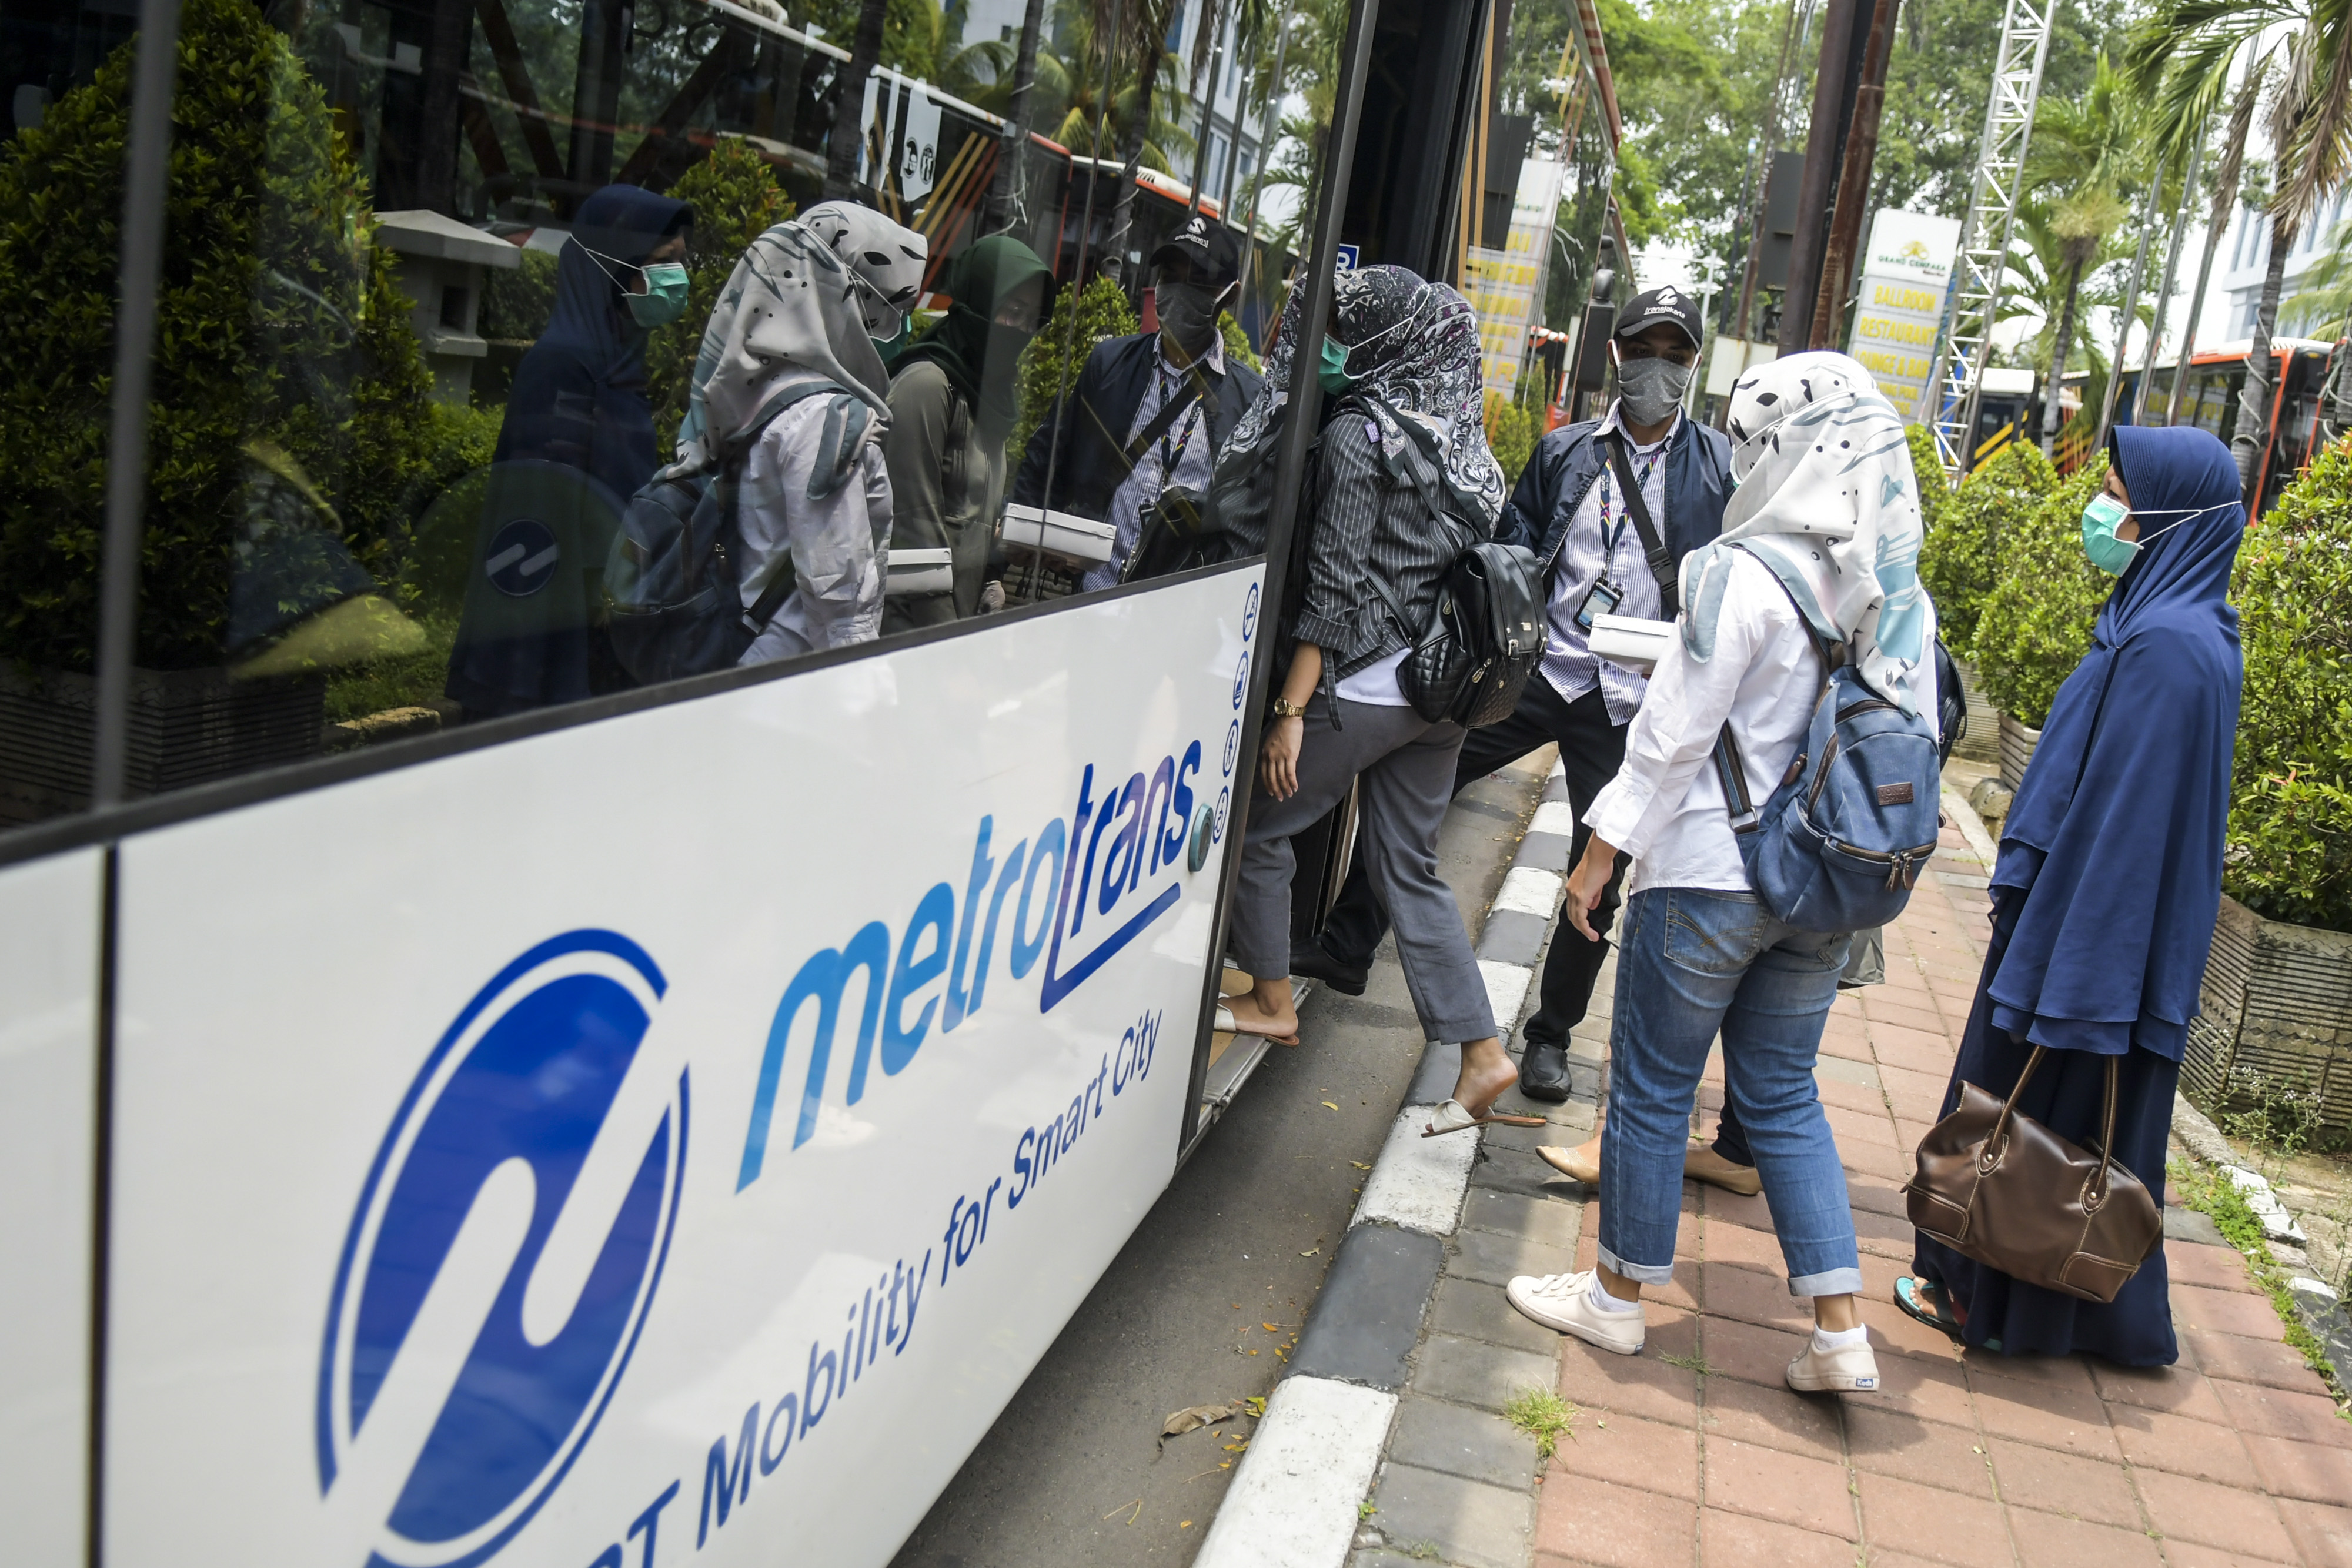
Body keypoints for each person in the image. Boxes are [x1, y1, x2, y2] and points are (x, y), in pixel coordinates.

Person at [1508, 352, 1940, 1396]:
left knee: (1653, 1089)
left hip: (1706, 870)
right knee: (1784, 1094)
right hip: (1822, 887)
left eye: (1753, 439)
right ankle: (1840, 1332)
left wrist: (1602, 851)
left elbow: (1671, 733)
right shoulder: (1892, 590)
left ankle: (1614, 1301)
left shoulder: (1736, 572)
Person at [1297, 289, 1743, 1163]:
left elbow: (1717, 582)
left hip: (1628, 696)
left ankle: (1550, 1034)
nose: (1659, 367)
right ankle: (1348, 943)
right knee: (1415, 782)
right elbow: (1514, 545)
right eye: (1644, 349)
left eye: (1676, 353)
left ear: (1694, 365)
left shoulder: (1716, 469)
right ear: (1616, 356)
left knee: (1598, 867)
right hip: (1541, 671)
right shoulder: (1564, 450)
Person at [1900, 424, 2246, 1365]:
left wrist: (2074, 965)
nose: (2105, 510)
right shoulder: (2173, 621)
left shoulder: (2172, 649)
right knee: (2066, 1125)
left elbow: (2128, 830)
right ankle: (2043, 1308)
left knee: (2032, 1123)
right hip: (2090, 924)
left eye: (2120, 494)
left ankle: (1999, 1306)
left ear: (2174, 515)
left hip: (2091, 930)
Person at [1214, 264, 1543, 1136]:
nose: (1332, 347)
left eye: (1346, 331)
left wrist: (1289, 712)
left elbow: (1333, 583)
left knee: (1258, 828)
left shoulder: (1364, 435)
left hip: (1365, 682)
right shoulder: (1463, 443)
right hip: (1442, 694)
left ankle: (1273, 997)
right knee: (1409, 866)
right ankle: (1480, 1053)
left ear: (1384, 342)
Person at [446, 184, 692, 717]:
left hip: (604, 621)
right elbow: (543, 504)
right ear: (613, 267)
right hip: (551, 633)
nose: (678, 280)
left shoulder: (617, 361)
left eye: (681, 263)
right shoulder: (562, 365)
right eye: (662, 263)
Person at [671, 202, 926, 662]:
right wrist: (862, 702)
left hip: (742, 653)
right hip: (791, 680)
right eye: (894, 308)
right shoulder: (826, 418)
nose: (903, 327)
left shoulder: (751, 385)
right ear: (847, 296)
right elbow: (839, 601)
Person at [1010, 215, 1262, 590]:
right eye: (1170, 276)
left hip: (1181, 613)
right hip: (1094, 597)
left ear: (1231, 294)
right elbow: (1047, 457)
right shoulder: (1108, 365)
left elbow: (1248, 523)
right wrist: (1018, 533)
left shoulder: (1250, 399)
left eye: (1197, 280)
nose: (1178, 290)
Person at [881, 234, 1051, 630]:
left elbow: (973, 517)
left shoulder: (990, 403)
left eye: (1032, 320)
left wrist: (993, 576)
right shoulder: (927, 386)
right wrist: (947, 640)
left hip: (956, 629)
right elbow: (913, 528)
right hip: (903, 634)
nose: (1022, 331)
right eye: (1012, 312)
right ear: (977, 302)